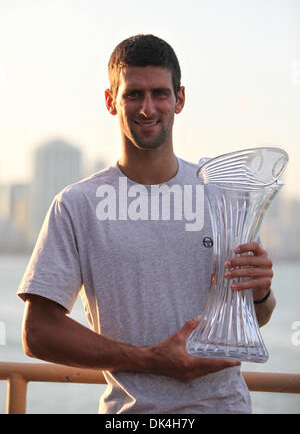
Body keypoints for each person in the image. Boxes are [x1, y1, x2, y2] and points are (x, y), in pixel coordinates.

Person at [18, 34, 275, 414]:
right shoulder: (76, 205)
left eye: (160, 93)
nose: (147, 108)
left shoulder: (220, 194)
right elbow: (38, 333)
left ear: (180, 99)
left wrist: (260, 293)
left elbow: (256, 316)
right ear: (110, 101)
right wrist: (150, 359)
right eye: (133, 95)